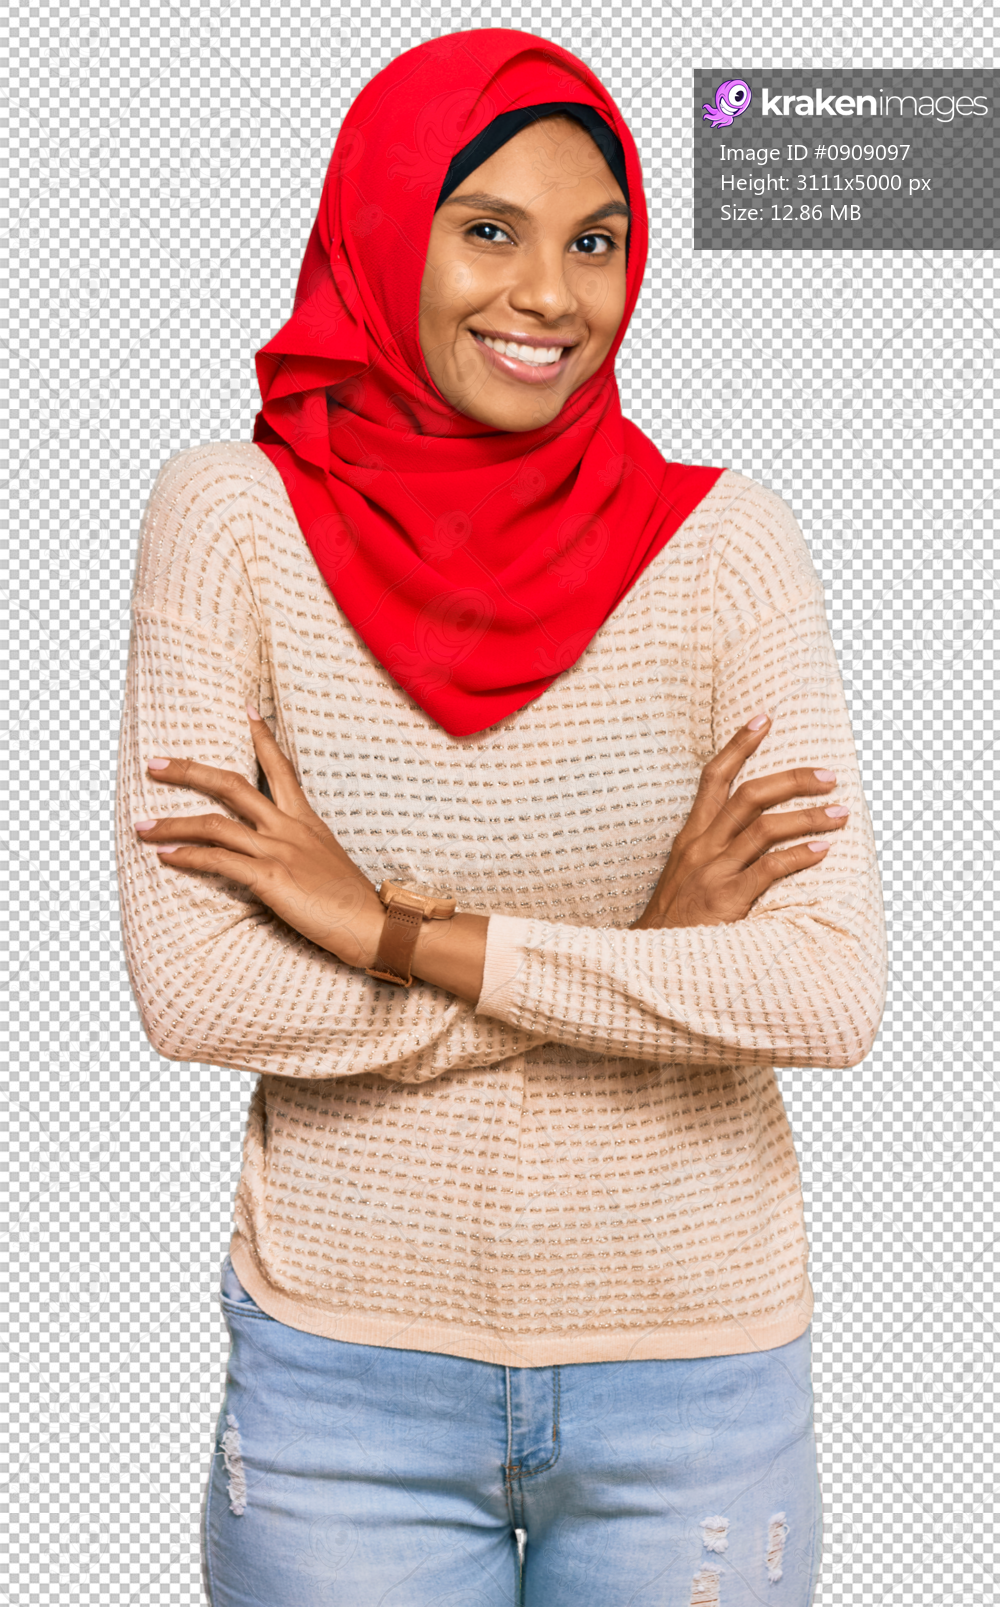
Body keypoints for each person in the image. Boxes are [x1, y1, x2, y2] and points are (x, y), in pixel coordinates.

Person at [115, 28, 886, 1607]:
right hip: (346, 1375)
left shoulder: (728, 546)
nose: (551, 294)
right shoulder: (231, 523)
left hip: (695, 1376)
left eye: (595, 240)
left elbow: (826, 990)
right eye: (490, 230)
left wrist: (394, 931)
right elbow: (195, 990)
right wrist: (651, 964)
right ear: (383, 230)